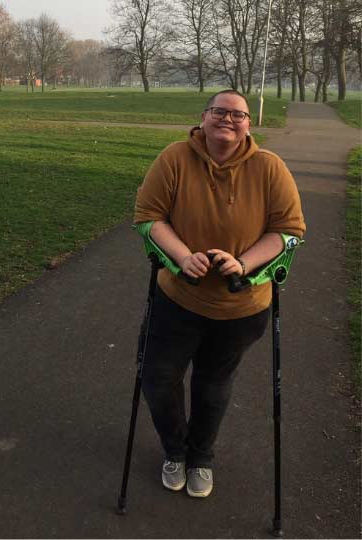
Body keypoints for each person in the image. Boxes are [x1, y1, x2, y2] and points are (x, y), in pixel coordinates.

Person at [133, 89, 305, 498]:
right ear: (204, 117)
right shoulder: (174, 158)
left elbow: (289, 230)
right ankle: (175, 449)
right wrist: (181, 256)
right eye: (219, 112)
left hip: (240, 307)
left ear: (249, 123)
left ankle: (201, 456)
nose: (228, 119)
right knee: (157, 379)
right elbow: (148, 216)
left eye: (238, 114)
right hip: (177, 299)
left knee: (213, 384)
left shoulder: (270, 167)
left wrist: (243, 264)